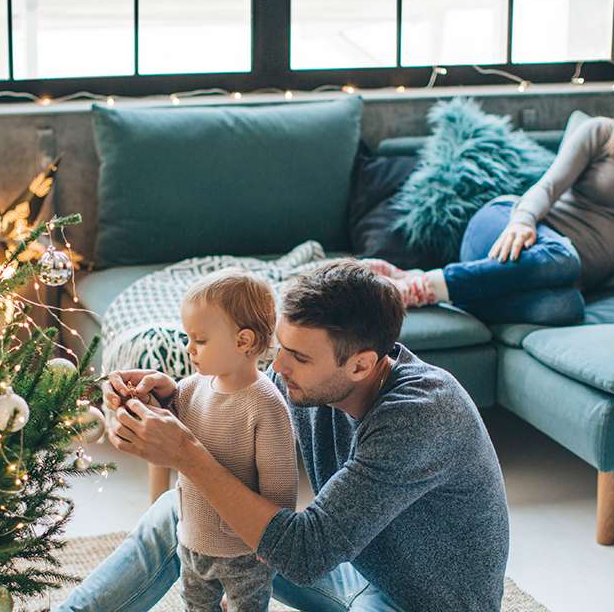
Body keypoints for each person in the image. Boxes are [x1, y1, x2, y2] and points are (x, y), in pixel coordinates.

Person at [56, 260, 509, 612]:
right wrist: (172, 398)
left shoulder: (420, 415)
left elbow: (304, 554)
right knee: (180, 511)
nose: (278, 367)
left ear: (361, 365)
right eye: (281, 347)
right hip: (354, 570)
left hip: (421, 603)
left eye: (299, 358)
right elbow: (240, 407)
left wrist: (186, 454)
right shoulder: (305, 381)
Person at [372, 45, 614, 325]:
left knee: (566, 308)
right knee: (564, 256)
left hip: (552, 276)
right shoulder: (600, 133)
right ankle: (419, 288)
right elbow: (548, 186)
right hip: (508, 229)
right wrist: (523, 221)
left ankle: (421, 279)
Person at [151, 268, 298, 611]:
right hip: (192, 540)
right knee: (196, 604)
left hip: (244, 554)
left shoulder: (266, 404)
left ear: (243, 342)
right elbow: (162, 434)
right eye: (188, 338)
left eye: (200, 340)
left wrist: (272, 543)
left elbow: (280, 488)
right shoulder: (190, 389)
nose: (189, 349)